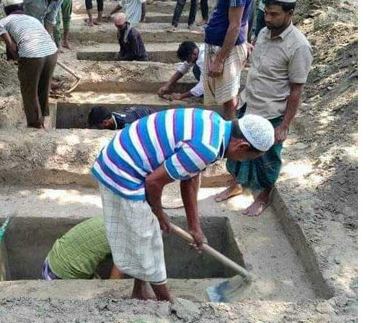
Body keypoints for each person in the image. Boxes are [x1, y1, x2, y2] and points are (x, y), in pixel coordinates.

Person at [92, 108, 275, 301]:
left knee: (145, 235)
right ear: (242, 146)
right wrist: (159, 213)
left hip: (127, 159)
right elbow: (153, 182)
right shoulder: (205, 148)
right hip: (121, 169)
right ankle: (166, 301)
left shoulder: (216, 124)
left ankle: (140, 292)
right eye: (247, 159)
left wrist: (194, 227)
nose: (243, 162)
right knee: (147, 238)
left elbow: (190, 178)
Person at [215, 0, 312, 217]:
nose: (268, 18)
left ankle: (264, 195)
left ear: (290, 13)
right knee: (236, 149)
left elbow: (296, 91)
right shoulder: (263, 33)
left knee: (268, 159)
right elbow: (256, 69)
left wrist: (284, 125)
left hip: (272, 111)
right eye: (266, 12)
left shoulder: (299, 47)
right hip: (250, 103)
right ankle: (236, 184)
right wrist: (242, 96)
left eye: (274, 14)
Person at [203, 0, 253, 120]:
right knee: (227, 98)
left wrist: (220, 59)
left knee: (229, 100)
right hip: (225, 47)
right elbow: (244, 20)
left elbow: (235, 25)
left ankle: (232, 140)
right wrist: (245, 41)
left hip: (226, 50)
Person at [0, 0, 58, 129]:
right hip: (52, 51)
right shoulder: (32, 19)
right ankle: (42, 118)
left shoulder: (2, 22)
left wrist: (20, 60)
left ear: (6, 9)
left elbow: (11, 46)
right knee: (44, 86)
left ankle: (35, 124)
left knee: (29, 90)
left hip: (31, 54)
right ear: (21, 7)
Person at [43, 217, 125, 281]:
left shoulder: (112, 217)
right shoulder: (125, 238)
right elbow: (115, 281)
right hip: (60, 278)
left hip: (49, 263)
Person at [87, 105, 154, 130]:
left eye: (97, 125)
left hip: (151, 118)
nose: (97, 128)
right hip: (138, 111)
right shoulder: (112, 116)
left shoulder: (126, 125)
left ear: (105, 122)